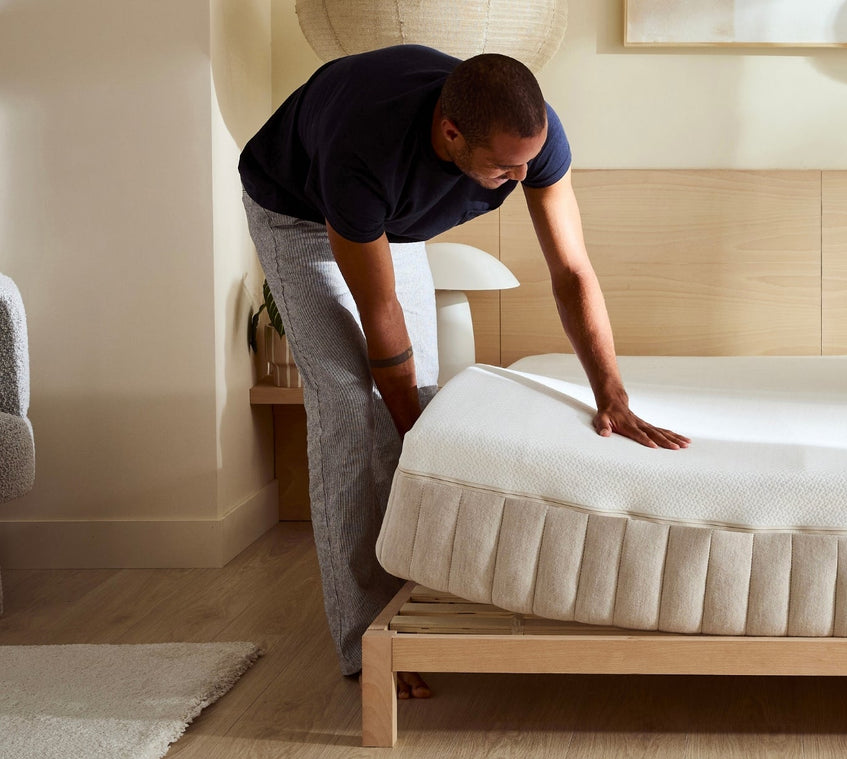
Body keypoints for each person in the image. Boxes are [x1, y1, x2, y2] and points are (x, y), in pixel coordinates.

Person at [239, 45, 690, 696]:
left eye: (529, 162)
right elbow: (380, 308)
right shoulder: (363, 149)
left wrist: (611, 394)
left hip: (389, 222)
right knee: (352, 406)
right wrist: (412, 433)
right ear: (451, 134)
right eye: (507, 168)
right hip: (299, 214)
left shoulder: (531, 139)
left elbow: (571, 271)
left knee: (421, 399)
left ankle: (419, 602)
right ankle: (368, 643)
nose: (523, 175)